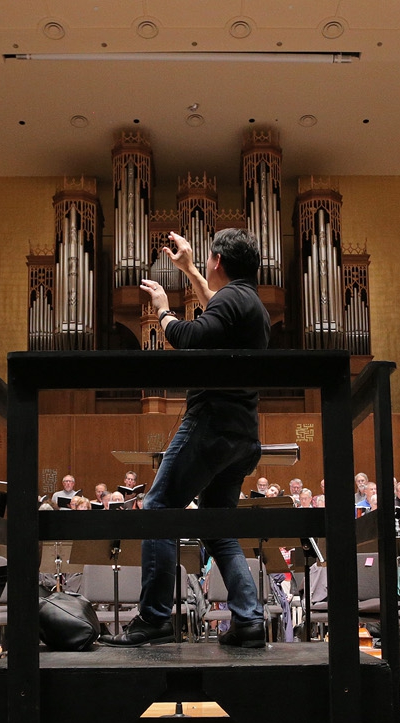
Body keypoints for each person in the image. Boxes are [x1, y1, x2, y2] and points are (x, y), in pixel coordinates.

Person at [100, 227, 269, 648]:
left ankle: (154, 618)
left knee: (159, 506)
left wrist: (163, 310)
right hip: (242, 433)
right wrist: (191, 270)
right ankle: (249, 620)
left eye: (207, 260)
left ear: (219, 261)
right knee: (217, 527)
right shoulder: (252, 304)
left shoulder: (233, 299)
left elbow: (189, 337)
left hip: (211, 424)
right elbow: (218, 316)